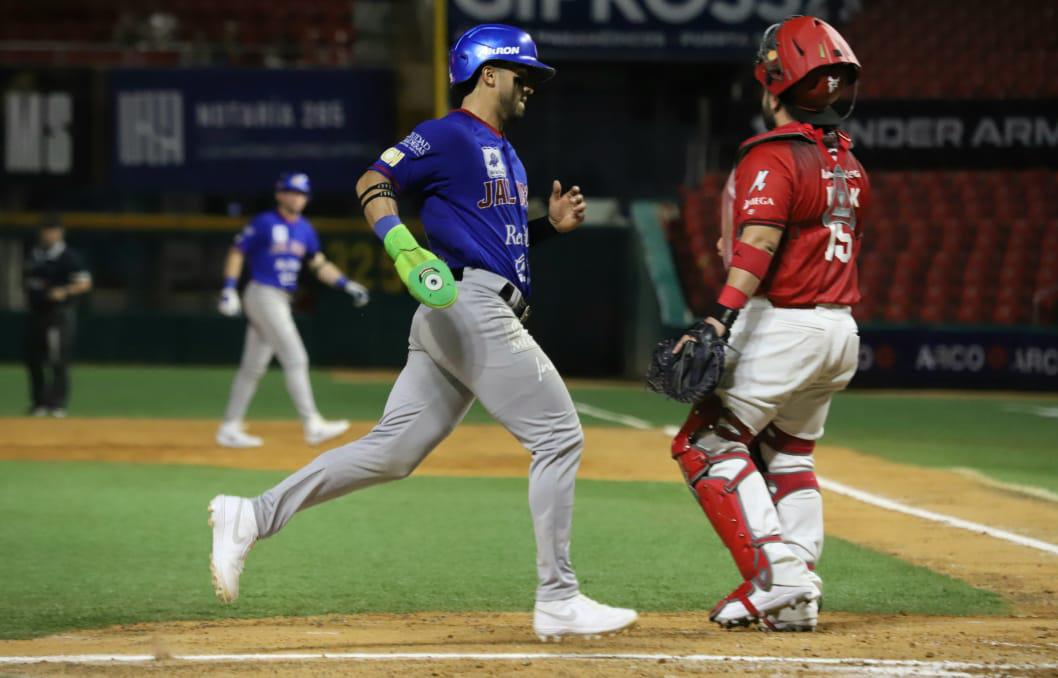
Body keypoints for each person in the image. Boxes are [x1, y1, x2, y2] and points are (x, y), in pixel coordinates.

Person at [208, 24, 638, 641]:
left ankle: (251, 515)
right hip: (467, 305)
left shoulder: (508, 152)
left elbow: (496, 243)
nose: (531, 86)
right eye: (523, 74)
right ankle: (558, 597)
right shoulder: (446, 134)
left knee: (392, 453)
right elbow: (372, 181)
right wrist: (401, 246)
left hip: (462, 311)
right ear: (488, 73)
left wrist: (548, 226)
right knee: (559, 436)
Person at [668, 15, 869, 631]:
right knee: (790, 452)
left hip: (786, 325)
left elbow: (758, 242)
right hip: (839, 330)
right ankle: (798, 597)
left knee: (705, 444)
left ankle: (776, 576)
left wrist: (718, 318)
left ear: (773, 82)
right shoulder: (848, 162)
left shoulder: (773, 154)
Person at [215, 172, 370, 448]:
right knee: (296, 358)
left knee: (253, 367)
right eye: (292, 192)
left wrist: (345, 283)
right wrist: (228, 288)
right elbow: (237, 251)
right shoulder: (264, 222)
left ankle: (229, 426)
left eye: (302, 194)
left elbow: (318, 264)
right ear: (280, 194)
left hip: (280, 298)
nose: (298, 198)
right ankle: (312, 425)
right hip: (263, 293)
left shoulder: (305, 229)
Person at [23, 221, 92, 418]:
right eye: (45, 231)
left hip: (59, 315)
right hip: (36, 312)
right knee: (34, 359)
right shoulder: (34, 254)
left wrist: (64, 291)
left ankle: (57, 404)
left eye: (51, 231)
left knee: (58, 358)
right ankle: (39, 403)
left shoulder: (69, 257)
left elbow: (85, 283)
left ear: (60, 233)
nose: (47, 235)